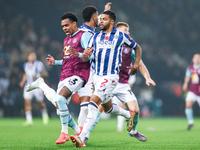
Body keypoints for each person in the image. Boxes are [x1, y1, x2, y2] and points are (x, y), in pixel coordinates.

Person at [69, 10, 142, 148]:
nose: (100, 21)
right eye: (100, 19)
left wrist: (136, 64)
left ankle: (81, 138)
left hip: (111, 77)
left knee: (93, 102)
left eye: (104, 19)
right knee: (108, 108)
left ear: (112, 21)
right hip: (97, 77)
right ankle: (127, 115)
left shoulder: (121, 36)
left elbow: (137, 47)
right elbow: (87, 57)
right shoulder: (95, 37)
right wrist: (84, 55)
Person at [83, 22, 156, 144]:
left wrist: (147, 78)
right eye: (126, 30)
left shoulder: (129, 49)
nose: (128, 32)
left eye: (128, 30)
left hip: (122, 84)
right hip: (107, 82)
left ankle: (133, 131)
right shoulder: (105, 44)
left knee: (136, 111)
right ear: (118, 32)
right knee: (99, 108)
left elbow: (140, 64)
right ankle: (85, 135)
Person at [26, 12, 91, 144]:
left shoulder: (83, 36)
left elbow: (89, 56)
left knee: (61, 99)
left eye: (67, 25)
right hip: (64, 75)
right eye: (62, 26)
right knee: (60, 110)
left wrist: (78, 53)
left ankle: (64, 133)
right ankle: (79, 132)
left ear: (74, 23)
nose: (64, 28)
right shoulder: (66, 40)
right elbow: (68, 60)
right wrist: (55, 62)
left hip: (78, 74)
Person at [19, 52, 49, 126]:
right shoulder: (26, 65)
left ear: (35, 57)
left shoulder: (39, 64)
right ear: (28, 57)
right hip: (28, 86)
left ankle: (45, 115)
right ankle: (29, 120)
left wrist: (37, 75)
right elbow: (25, 74)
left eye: (33, 55)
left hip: (37, 86)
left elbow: (45, 73)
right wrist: (22, 81)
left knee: (40, 102)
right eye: (30, 55)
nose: (32, 57)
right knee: (27, 102)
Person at [182, 53, 200, 130]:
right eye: (195, 58)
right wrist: (185, 83)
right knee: (188, 105)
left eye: (198, 58)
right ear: (193, 59)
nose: (197, 59)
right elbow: (187, 76)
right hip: (192, 90)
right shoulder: (190, 68)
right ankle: (190, 122)